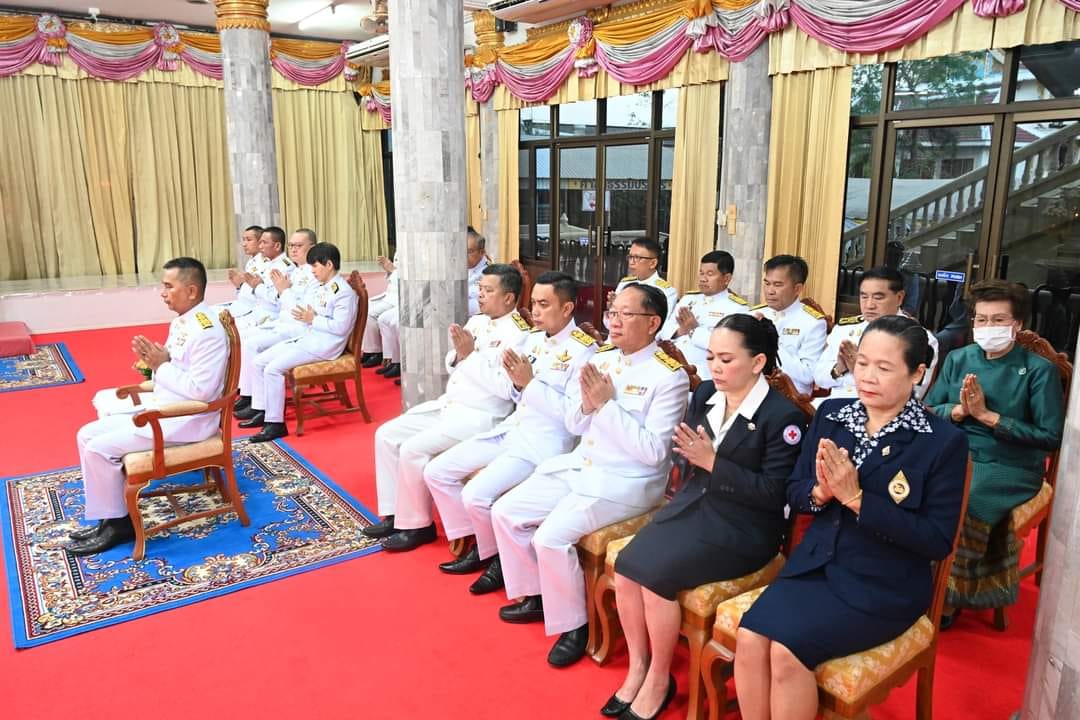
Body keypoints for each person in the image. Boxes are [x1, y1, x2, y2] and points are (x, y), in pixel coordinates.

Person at [734, 316, 968, 720]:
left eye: (884, 367)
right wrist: (820, 492)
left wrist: (858, 499)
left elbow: (935, 540)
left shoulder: (942, 441)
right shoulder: (833, 415)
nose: (868, 377)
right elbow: (795, 490)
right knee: (751, 637)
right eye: (862, 363)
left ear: (918, 373)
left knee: (788, 654)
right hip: (817, 565)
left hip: (884, 582)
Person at [604, 314, 805, 720]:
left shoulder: (782, 417)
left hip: (745, 527)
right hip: (695, 505)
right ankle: (639, 666)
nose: (715, 367)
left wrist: (714, 463)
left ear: (759, 362)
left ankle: (660, 678)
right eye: (711, 357)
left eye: (727, 359)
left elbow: (775, 494)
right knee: (626, 567)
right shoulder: (707, 394)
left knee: (656, 578)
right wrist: (690, 457)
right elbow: (689, 453)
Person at [490, 284, 689, 668]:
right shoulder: (606, 359)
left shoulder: (670, 377)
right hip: (583, 466)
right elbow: (575, 423)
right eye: (613, 312)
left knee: (549, 537)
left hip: (627, 483)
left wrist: (605, 405)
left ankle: (574, 626)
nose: (613, 321)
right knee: (506, 510)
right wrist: (588, 405)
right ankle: (538, 594)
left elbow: (653, 454)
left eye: (625, 314)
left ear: (653, 323)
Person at [422, 272, 596, 590]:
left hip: (545, 443)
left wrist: (528, 383)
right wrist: (520, 384)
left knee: (476, 495)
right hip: (513, 429)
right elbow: (513, 393)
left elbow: (573, 419)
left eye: (545, 305)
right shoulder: (531, 340)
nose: (536, 312)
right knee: (437, 470)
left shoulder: (584, 351)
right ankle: (484, 547)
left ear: (568, 308)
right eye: (534, 304)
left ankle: (500, 561)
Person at [925, 280, 1065, 626]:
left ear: (1017, 325)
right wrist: (959, 412)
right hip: (956, 451)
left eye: (998, 320)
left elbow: (1049, 437)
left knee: (963, 499)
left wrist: (989, 417)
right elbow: (928, 409)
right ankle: (913, 583)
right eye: (982, 320)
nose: (988, 328)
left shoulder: (1038, 371)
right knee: (906, 485)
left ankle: (947, 598)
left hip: (1011, 464)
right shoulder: (959, 358)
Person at [364, 264, 532, 550]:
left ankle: (417, 525)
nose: (480, 296)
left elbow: (507, 389)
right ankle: (394, 514)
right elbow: (451, 360)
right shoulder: (478, 321)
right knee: (386, 434)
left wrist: (469, 358)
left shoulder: (520, 335)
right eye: (480, 289)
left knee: (412, 449)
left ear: (509, 297)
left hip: (483, 415)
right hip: (452, 405)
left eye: (488, 291)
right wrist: (462, 357)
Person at [67, 258, 229, 555]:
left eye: (169, 286)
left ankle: (120, 525)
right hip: (166, 405)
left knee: (99, 448)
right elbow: (175, 365)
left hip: (186, 419)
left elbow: (202, 392)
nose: (162, 293)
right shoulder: (183, 320)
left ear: (191, 291)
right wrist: (158, 357)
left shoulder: (207, 331)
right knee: (86, 434)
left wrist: (161, 365)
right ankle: (110, 518)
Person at [240, 242, 358, 443]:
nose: (312, 270)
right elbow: (302, 309)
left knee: (272, 369)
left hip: (325, 345)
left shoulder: (343, 292)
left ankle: (275, 423)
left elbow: (341, 328)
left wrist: (313, 319)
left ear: (329, 264)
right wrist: (286, 293)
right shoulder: (323, 287)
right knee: (259, 361)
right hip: (309, 337)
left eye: (315, 266)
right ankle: (262, 410)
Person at [374, 227, 489, 382]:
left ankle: (421, 369)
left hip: (462, 314)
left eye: (469, 252)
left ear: (481, 252)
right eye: (460, 251)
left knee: (423, 323)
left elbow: (477, 303)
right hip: (441, 306)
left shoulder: (487, 273)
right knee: (404, 319)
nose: (463, 256)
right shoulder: (455, 265)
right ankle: (401, 364)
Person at [813, 267, 939, 403]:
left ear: (899, 298)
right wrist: (839, 369)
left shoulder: (918, 338)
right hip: (833, 404)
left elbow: (914, 392)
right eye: (864, 296)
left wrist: (859, 368)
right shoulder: (845, 329)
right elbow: (819, 378)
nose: (869, 305)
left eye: (878, 298)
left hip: (882, 412)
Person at [234, 229, 318, 414]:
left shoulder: (312, 274)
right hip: (283, 322)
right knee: (244, 340)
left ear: (312, 248)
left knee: (251, 345)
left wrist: (280, 290)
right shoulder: (297, 272)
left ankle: (253, 400)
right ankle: (249, 396)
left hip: (298, 328)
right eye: (292, 246)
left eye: (299, 246)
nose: (294, 250)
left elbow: (295, 308)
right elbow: (283, 301)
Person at [749, 255, 827, 396]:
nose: (769, 291)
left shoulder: (813, 323)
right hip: (750, 389)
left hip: (789, 397)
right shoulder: (755, 314)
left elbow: (808, 374)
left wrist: (771, 342)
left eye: (778, 285)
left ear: (797, 289)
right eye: (767, 283)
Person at [659, 250, 749, 371]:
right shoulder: (689, 299)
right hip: (673, 369)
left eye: (710, 274)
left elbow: (728, 346)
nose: (703, 279)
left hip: (705, 374)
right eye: (701, 273)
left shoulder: (737, 308)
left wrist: (694, 330)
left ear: (726, 278)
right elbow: (663, 331)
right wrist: (681, 330)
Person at [605, 239, 680, 332]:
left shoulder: (666, 291)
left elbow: (662, 328)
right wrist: (612, 309)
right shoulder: (624, 283)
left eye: (637, 257)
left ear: (653, 263)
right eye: (630, 257)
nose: (631, 262)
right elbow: (608, 324)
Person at [235, 226, 293, 330]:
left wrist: (257, 286)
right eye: (260, 242)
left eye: (264, 243)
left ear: (277, 246)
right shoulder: (268, 263)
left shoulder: (284, 267)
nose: (260, 246)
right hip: (255, 311)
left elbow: (278, 300)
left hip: (271, 316)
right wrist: (239, 286)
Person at [216, 225, 264, 322]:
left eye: (249, 240)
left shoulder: (265, 263)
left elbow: (260, 296)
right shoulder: (251, 262)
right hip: (241, 304)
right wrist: (239, 285)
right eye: (243, 240)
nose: (244, 244)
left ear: (260, 242)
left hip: (251, 310)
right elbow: (244, 292)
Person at [360, 251, 400, 369]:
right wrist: (389, 270)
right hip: (389, 294)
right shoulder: (400, 247)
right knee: (363, 308)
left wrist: (392, 270)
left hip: (398, 297)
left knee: (371, 314)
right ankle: (368, 350)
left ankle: (376, 352)